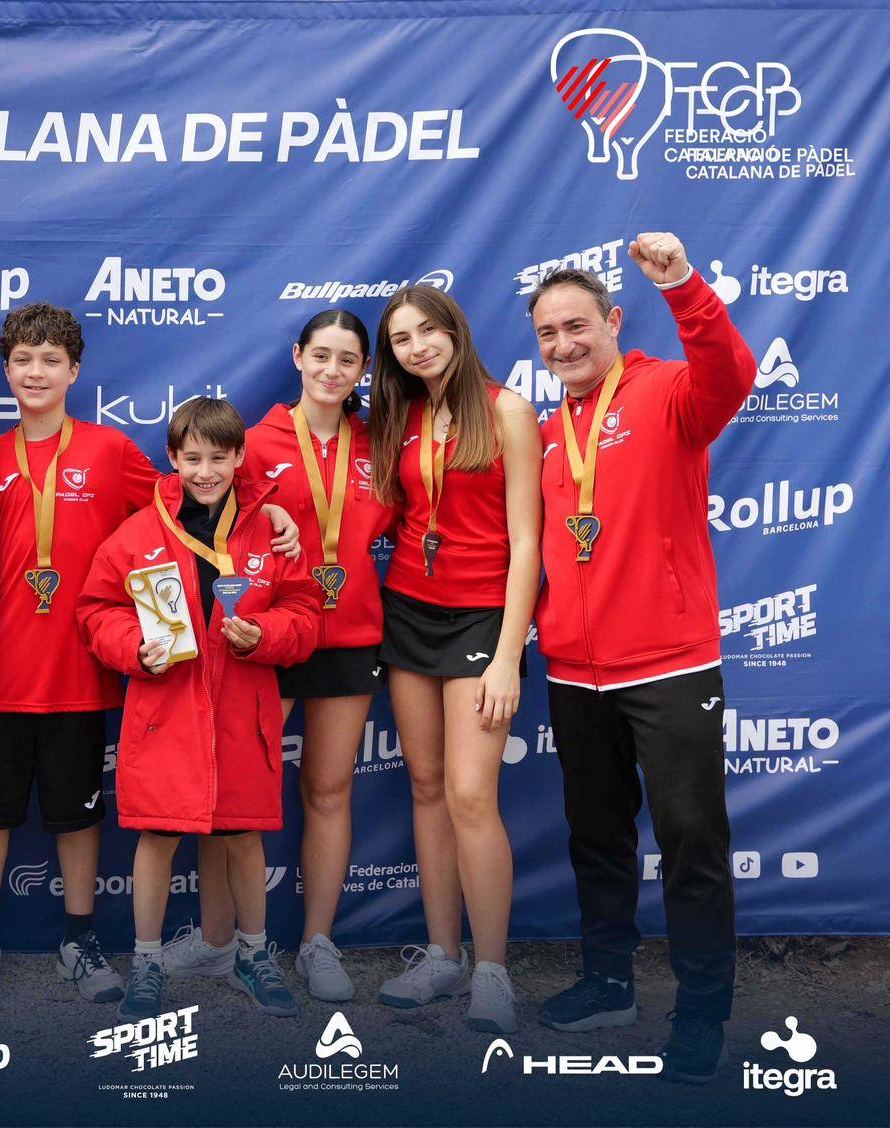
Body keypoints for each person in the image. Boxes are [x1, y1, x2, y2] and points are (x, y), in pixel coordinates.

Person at [0, 305, 301, 1008]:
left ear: (75, 370)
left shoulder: (110, 451)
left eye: (52, 360)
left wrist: (272, 510)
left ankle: (81, 940)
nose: (37, 373)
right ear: (6, 370)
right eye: (23, 360)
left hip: (81, 677)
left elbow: (185, 506)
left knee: (79, 817)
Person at [528, 233, 754, 1084]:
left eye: (576, 326)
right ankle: (609, 983)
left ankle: (702, 1014)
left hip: (667, 666)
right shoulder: (547, 433)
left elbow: (731, 375)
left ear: (614, 320)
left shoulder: (667, 392)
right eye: (547, 334)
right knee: (597, 838)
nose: (563, 346)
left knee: (692, 842)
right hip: (573, 670)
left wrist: (685, 286)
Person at [78, 398, 321, 1023]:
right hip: (165, 712)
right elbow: (96, 610)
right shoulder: (141, 531)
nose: (205, 471)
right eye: (192, 459)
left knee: (242, 836)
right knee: (158, 836)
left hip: (243, 713)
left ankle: (253, 954)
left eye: (218, 457)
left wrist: (265, 635)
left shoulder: (272, 530)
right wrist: (134, 647)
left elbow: (305, 612)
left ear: (240, 457)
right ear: (172, 458)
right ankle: (148, 962)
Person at [179, 309, 395, 1003]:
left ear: (363, 370)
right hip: (262, 635)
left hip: (350, 634)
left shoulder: (381, 442)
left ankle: (317, 943)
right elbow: (199, 508)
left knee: (328, 791)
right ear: (298, 356)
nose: (332, 370)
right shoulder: (253, 440)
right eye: (320, 355)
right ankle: (219, 940)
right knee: (230, 792)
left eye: (348, 360)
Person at [366, 286, 541, 1033]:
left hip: (481, 618)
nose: (418, 348)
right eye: (401, 340)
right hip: (408, 609)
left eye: (428, 331)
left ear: (455, 330)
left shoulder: (508, 411)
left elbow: (527, 543)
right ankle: (444, 955)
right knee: (428, 786)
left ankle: (493, 972)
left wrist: (507, 655)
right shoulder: (399, 416)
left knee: (471, 794)